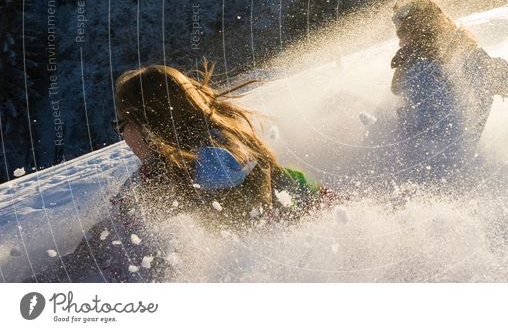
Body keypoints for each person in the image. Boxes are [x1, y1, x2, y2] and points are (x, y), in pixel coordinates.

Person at [34, 63, 329, 283]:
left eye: (122, 124)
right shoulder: (244, 153)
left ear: (146, 125)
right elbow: (313, 198)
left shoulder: (156, 184)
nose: (123, 135)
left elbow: (108, 249)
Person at [390, 0, 508, 182]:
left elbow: (425, 132)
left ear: (418, 29)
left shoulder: (422, 69)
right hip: (446, 173)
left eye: (402, 32)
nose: (399, 39)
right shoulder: (472, 61)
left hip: (428, 175)